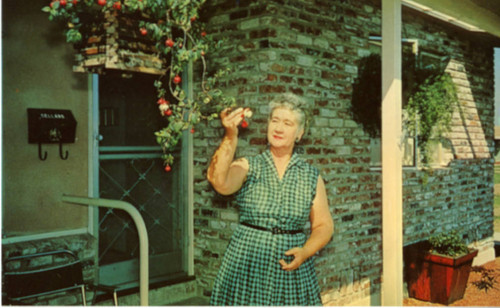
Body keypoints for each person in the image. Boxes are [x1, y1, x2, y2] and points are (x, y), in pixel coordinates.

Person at [207, 93, 334, 306]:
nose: (278, 128)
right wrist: (231, 134)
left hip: (292, 271)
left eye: (287, 123)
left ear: (299, 133)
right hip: (246, 266)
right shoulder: (249, 166)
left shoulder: (311, 176)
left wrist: (305, 251)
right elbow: (218, 181)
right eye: (274, 120)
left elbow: (324, 225)